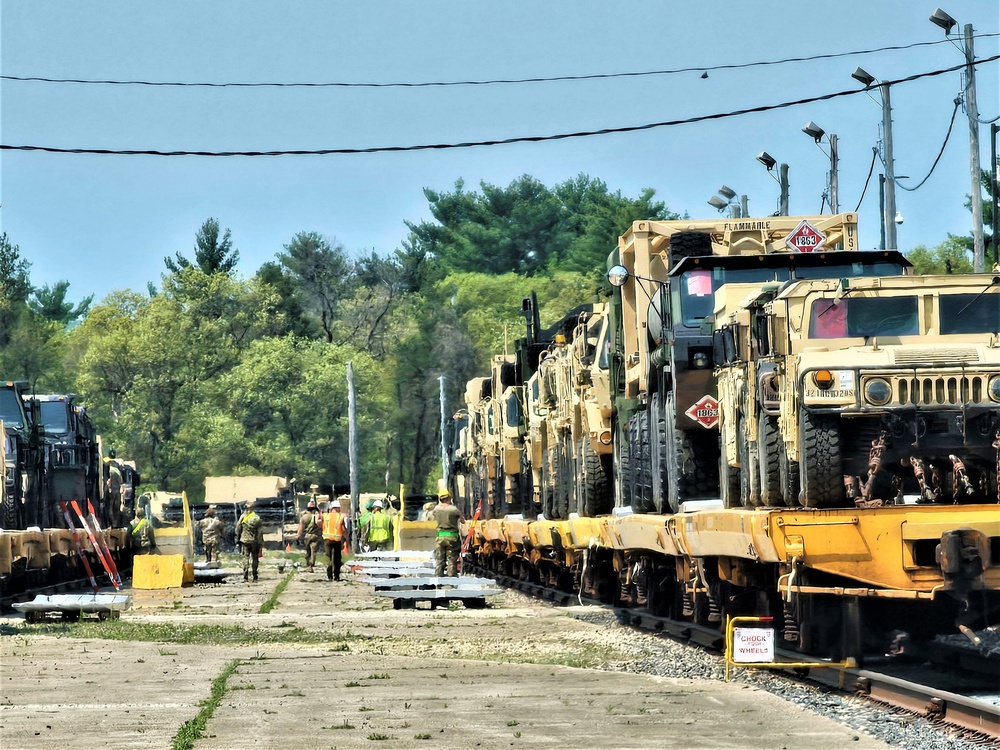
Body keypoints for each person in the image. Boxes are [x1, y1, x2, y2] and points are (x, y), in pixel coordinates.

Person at [432, 490, 464, 577]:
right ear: (449, 498)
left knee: (439, 559)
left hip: (440, 537)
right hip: (452, 537)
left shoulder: (436, 509)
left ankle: (438, 581)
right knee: (452, 560)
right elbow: (463, 521)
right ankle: (451, 581)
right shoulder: (454, 509)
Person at [237, 499, 265, 582]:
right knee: (255, 558)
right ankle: (254, 574)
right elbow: (260, 532)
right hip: (254, 541)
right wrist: (260, 542)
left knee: (245, 557)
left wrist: (238, 538)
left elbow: (238, 528)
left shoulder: (242, 517)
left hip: (245, 541)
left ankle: (245, 573)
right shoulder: (257, 518)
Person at [322, 497, 348, 581]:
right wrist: (347, 539)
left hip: (327, 540)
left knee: (328, 557)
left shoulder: (325, 516)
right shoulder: (340, 517)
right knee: (337, 558)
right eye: (339, 508)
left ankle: (329, 575)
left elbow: (320, 524)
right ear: (336, 508)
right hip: (337, 541)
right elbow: (343, 530)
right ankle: (336, 576)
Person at [296, 498, 324, 573]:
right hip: (315, 536)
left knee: (308, 550)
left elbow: (300, 529)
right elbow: (321, 525)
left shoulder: (303, 517)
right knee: (313, 551)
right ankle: (311, 565)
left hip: (307, 536)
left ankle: (308, 565)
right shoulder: (316, 517)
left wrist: (298, 536)